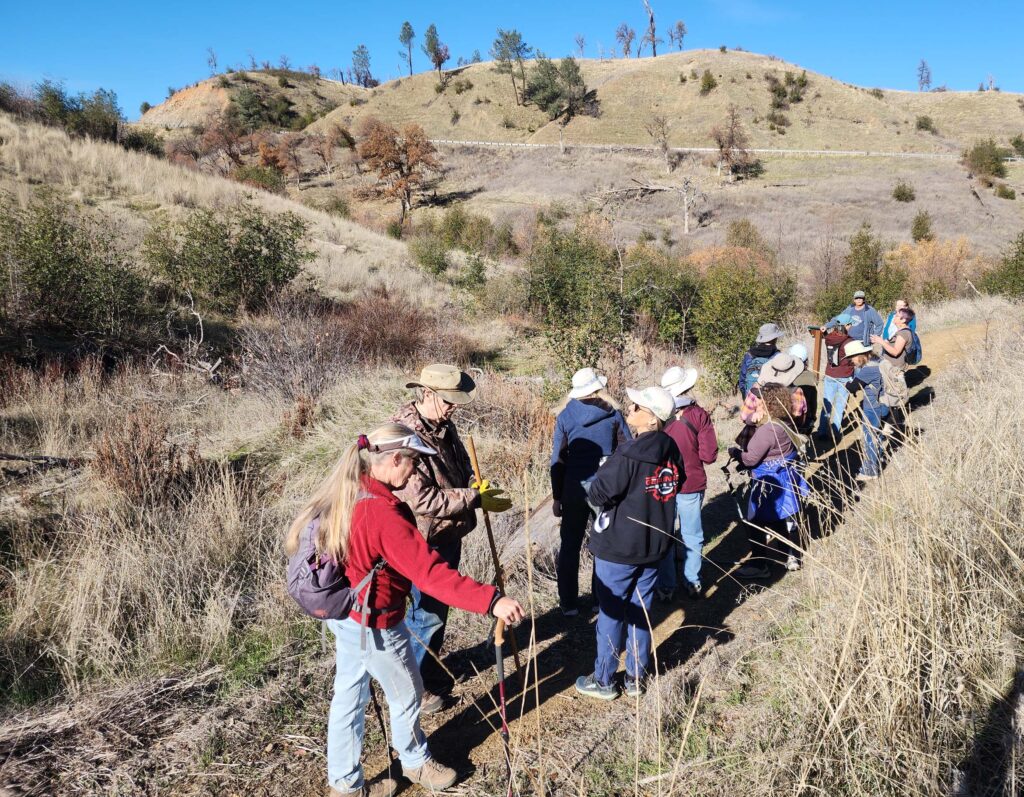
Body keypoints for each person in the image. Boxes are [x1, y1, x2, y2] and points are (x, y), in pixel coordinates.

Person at [286, 424, 526, 797]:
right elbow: (430, 575)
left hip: (347, 616)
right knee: (407, 693)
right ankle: (415, 761)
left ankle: (345, 784)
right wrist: (491, 600)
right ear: (394, 458)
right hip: (376, 624)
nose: (415, 473)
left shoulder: (351, 488)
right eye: (412, 464)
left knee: (349, 697)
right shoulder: (382, 514)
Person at [392, 364, 512, 714]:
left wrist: (475, 484)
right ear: (426, 394)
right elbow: (423, 501)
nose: (453, 407)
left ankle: (430, 674)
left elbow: (459, 466)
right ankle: (414, 691)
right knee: (424, 617)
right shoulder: (405, 435)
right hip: (421, 541)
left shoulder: (443, 425)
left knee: (437, 613)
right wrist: (472, 498)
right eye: (448, 400)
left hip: (447, 534)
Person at [575, 386, 682, 700]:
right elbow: (677, 484)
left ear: (652, 420)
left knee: (611, 611)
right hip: (654, 546)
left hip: (619, 547)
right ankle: (635, 677)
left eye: (637, 406)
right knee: (641, 610)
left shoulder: (628, 454)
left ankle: (605, 680)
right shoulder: (671, 450)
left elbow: (597, 494)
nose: (630, 407)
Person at [550, 367, 631, 616]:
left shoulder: (565, 416)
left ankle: (568, 604)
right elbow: (626, 450)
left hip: (574, 487)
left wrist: (557, 496)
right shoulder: (613, 414)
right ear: (597, 388)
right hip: (605, 487)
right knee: (603, 544)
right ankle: (600, 599)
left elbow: (558, 460)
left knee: (570, 544)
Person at [730, 384, 810, 578]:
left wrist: (735, 453)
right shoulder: (786, 422)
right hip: (783, 478)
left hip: (767, 483)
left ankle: (759, 565)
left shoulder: (768, 430)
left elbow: (750, 459)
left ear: (768, 403)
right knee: (778, 519)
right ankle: (789, 555)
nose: (757, 404)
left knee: (755, 522)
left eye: (761, 401)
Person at [656, 367, 717, 601]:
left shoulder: (658, 416)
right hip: (691, 482)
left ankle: (665, 585)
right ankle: (692, 580)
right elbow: (709, 455)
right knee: (692, 535)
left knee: (665, 533)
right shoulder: (698, 415)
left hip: (663, 484)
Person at [843, 341, 889, 481]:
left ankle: (870, 470)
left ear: (859, 355)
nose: (851, 361)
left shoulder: (867, 370)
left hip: (872, 407)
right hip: (885, 404)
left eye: (852, 358)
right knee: (878, 434)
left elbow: (852, 387)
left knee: (870, 437)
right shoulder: (880, 360)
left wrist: (847, 383)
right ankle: (877, 457)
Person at [871, 307, 916, 438]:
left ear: (903, 320)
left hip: (894, 369)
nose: (894, 318)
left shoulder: (903, 333)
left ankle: (888, 426)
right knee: (891, 397)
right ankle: (887, 426)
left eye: (897, 316)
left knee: (895, 397)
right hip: (890, 367)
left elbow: (895, 351)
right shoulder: (901, 331)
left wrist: (880, 342)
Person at [815, 314, 856, 439]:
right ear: (846, 325)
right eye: (850, 324)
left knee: (827, 402)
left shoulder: (829, 338)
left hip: (830, 374)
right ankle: (835, 430)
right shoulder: (849, 341)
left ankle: (822, 431)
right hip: (845, 375)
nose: (851, 327)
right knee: (840, 403)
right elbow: (853, 360)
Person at [737, 323, 783, 397]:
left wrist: (745, 396)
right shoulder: (778, 356)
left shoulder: (749, 354)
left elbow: (742, 380)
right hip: (772, 399)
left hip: (751, 397)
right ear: (775, 339)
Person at [788, 343, 818, 436]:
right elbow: (813, 402)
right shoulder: (810, 376)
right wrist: (813, 417)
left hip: (787, 419)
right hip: (805, 419)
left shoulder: (784, 375)